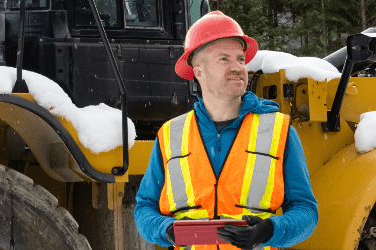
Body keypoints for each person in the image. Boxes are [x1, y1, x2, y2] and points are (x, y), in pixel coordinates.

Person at [134, 11, 318, 250]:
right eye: (224, 59)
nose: (237, 67)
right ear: (197, 70)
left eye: (241, 59)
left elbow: (306, 211)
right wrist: (166, 230)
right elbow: (145, 207)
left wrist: (269, 230)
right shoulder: (170, 134)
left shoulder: (279, 131)